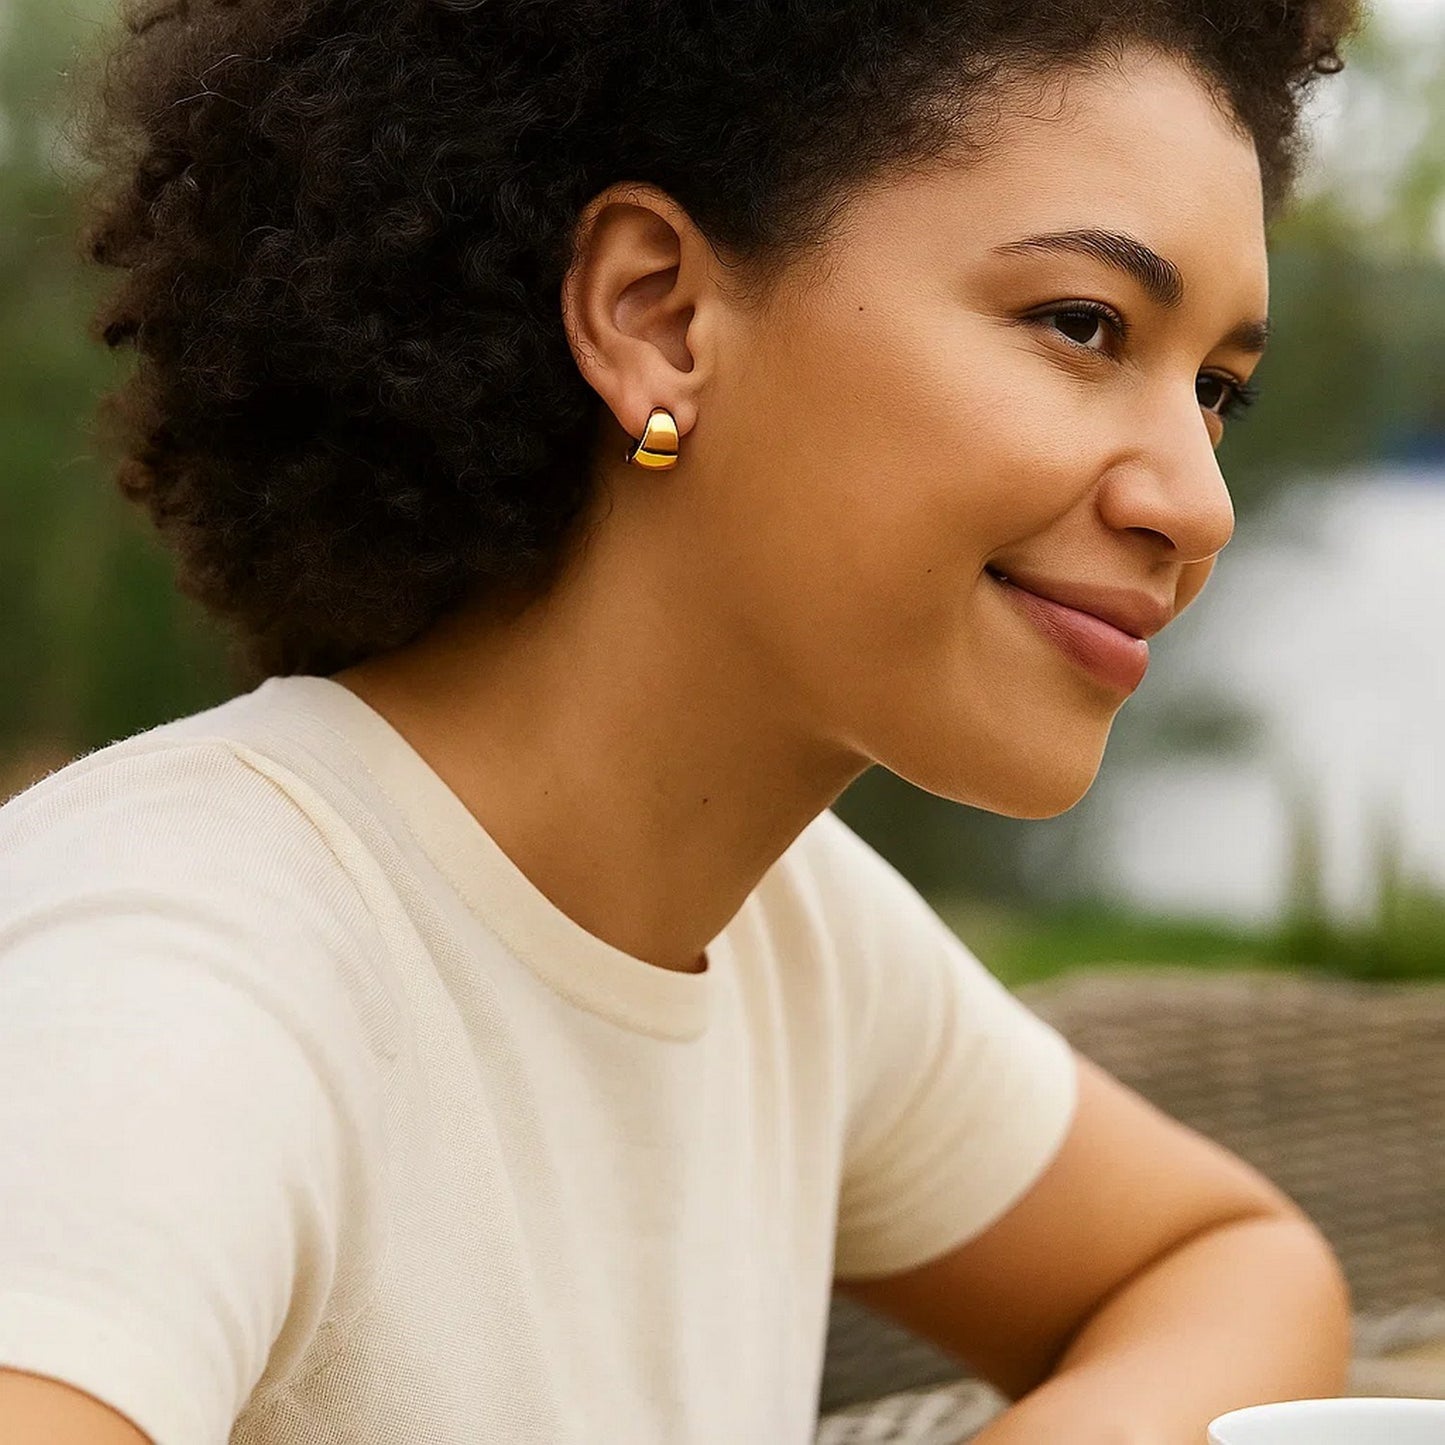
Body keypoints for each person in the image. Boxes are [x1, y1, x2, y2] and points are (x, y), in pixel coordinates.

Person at [0, 1, 1364, 1441]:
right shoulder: (174, 976)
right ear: (657, 316)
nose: (1196, 502)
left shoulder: (789, 935)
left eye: (1217, 391)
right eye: (1081, 325)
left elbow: (1225, 1264)